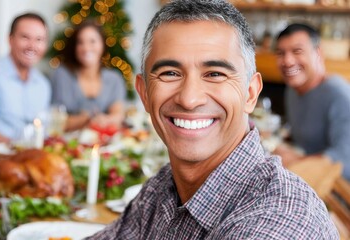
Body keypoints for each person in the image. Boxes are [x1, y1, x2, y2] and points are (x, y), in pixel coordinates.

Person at [87, 0, 338, 239]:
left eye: (215, 74)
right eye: (170, 73)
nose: (189, 98)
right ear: (144, 93)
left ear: (250, 94)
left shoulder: (279, 222)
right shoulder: (164, 187)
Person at [273, 23, 350, 180]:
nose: (287, 61)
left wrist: (297, 160)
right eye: (280, 53)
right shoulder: (293, 90)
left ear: (319, 53)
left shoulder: (339, 94)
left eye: (297, 51)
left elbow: (345, 160)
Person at [0, 12, 51, 143]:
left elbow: (44, 129)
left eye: (39, 40)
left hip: (33, 157)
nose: (32, 46)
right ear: (10, 39)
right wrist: (14, 150)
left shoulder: (43, 84)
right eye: (25, 37)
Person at [50, 20, 126, 132]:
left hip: (103, 142)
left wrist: (103, 120)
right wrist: (88, 119)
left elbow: (118, 116)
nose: (86, 48)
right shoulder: (62, 75)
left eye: (92, 41)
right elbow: (55, 122)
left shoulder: (114, 78)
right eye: (80, 42)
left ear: (102, 44)